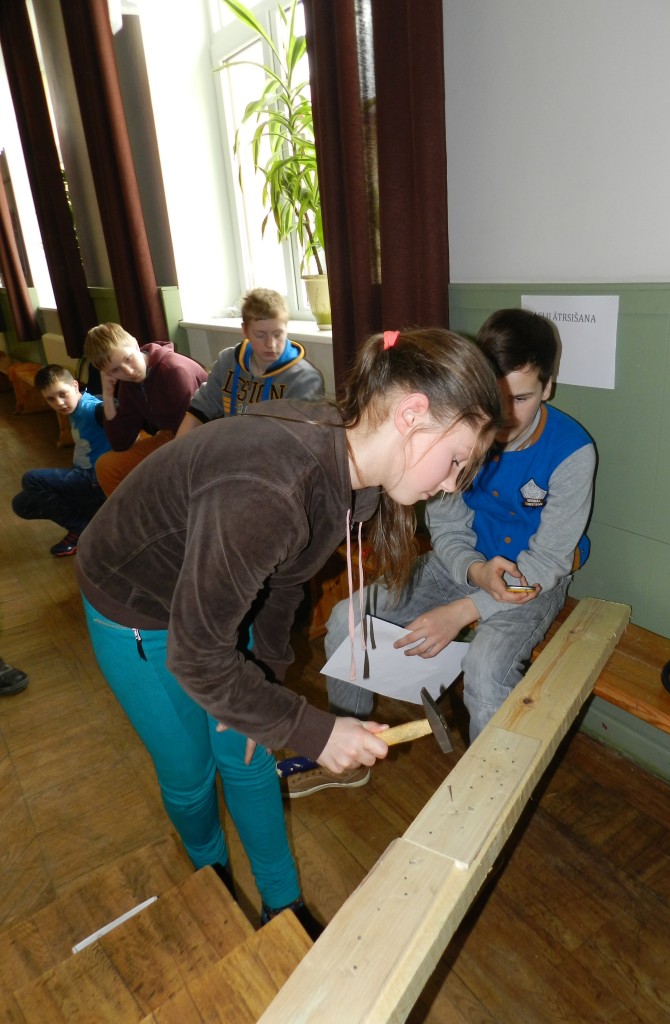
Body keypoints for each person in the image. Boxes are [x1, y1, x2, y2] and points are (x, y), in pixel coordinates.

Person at [75, 327, 500, 935]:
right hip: (139, 607)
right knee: (191, 777)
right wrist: (312, 731)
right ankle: (211, 884)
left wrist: (268, 684)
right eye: (456, 460)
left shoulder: (354, 479)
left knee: (248, 752)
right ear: (411, 414)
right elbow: (198, 656)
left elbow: (283, 582)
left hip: (217, 602)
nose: (453, 483)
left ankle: (283, 905)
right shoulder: (271, 485)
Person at [311, 308, 596, 794]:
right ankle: (350, 749)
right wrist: (474, 572)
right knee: (346, 621)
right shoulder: (459, 429)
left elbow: (548, 562)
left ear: (548, 387)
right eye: (497, 397)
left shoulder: (573, 452)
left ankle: (488, 794)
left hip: (532, 583)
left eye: (522, 397)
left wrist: (464, 610)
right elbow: (446, 527)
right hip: (456, 566)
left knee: (485, 671)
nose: (507, 415)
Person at [175, 288, 324, 439]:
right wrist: (176, 450)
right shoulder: (227, 362)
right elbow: (198, 412)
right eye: (260, 335)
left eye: (278, 334)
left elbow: (300, 441)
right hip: (230, 445)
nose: (270, 344)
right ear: (245, 331)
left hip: (275, 451)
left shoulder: (305, 379)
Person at [84, 323, 207, 495]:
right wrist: (108, 395)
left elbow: (195, 432)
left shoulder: (174, 370)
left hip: (200, 438)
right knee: (107, 466)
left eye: (128, 358)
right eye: (115, 370)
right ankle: (138, 511)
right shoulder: (129, 384)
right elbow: (121, 443)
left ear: (135, 344)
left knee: (163, 479)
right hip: (171, 436)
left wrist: (164, 463)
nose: (128, 371)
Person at [11, 365, 111, 557]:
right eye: (51, 399)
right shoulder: (74, 410)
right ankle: (90, 518)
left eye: (62, 394)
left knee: (31, 479)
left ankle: (81, 529)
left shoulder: (91, 408)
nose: (59, 402)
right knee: (22, 504)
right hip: (81, 478)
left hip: (95, 479)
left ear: (75, 386)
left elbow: (111, 410)